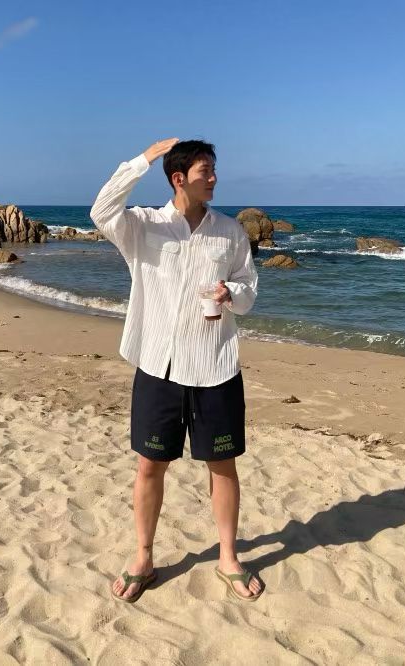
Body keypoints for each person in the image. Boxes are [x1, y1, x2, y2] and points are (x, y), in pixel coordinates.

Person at [90, 138, 262, 603]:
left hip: (215, 366)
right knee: (150, 466)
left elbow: (249, 289)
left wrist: (231, 294)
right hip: (158, 366)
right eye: (206, 171)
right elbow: (101, 210)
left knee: (222, 466)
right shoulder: (143, 226)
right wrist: (143, 159)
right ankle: (143, 556)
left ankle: (228, 557)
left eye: (214, 169)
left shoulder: (230, 231)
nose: (215, 178)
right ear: (179, 178)